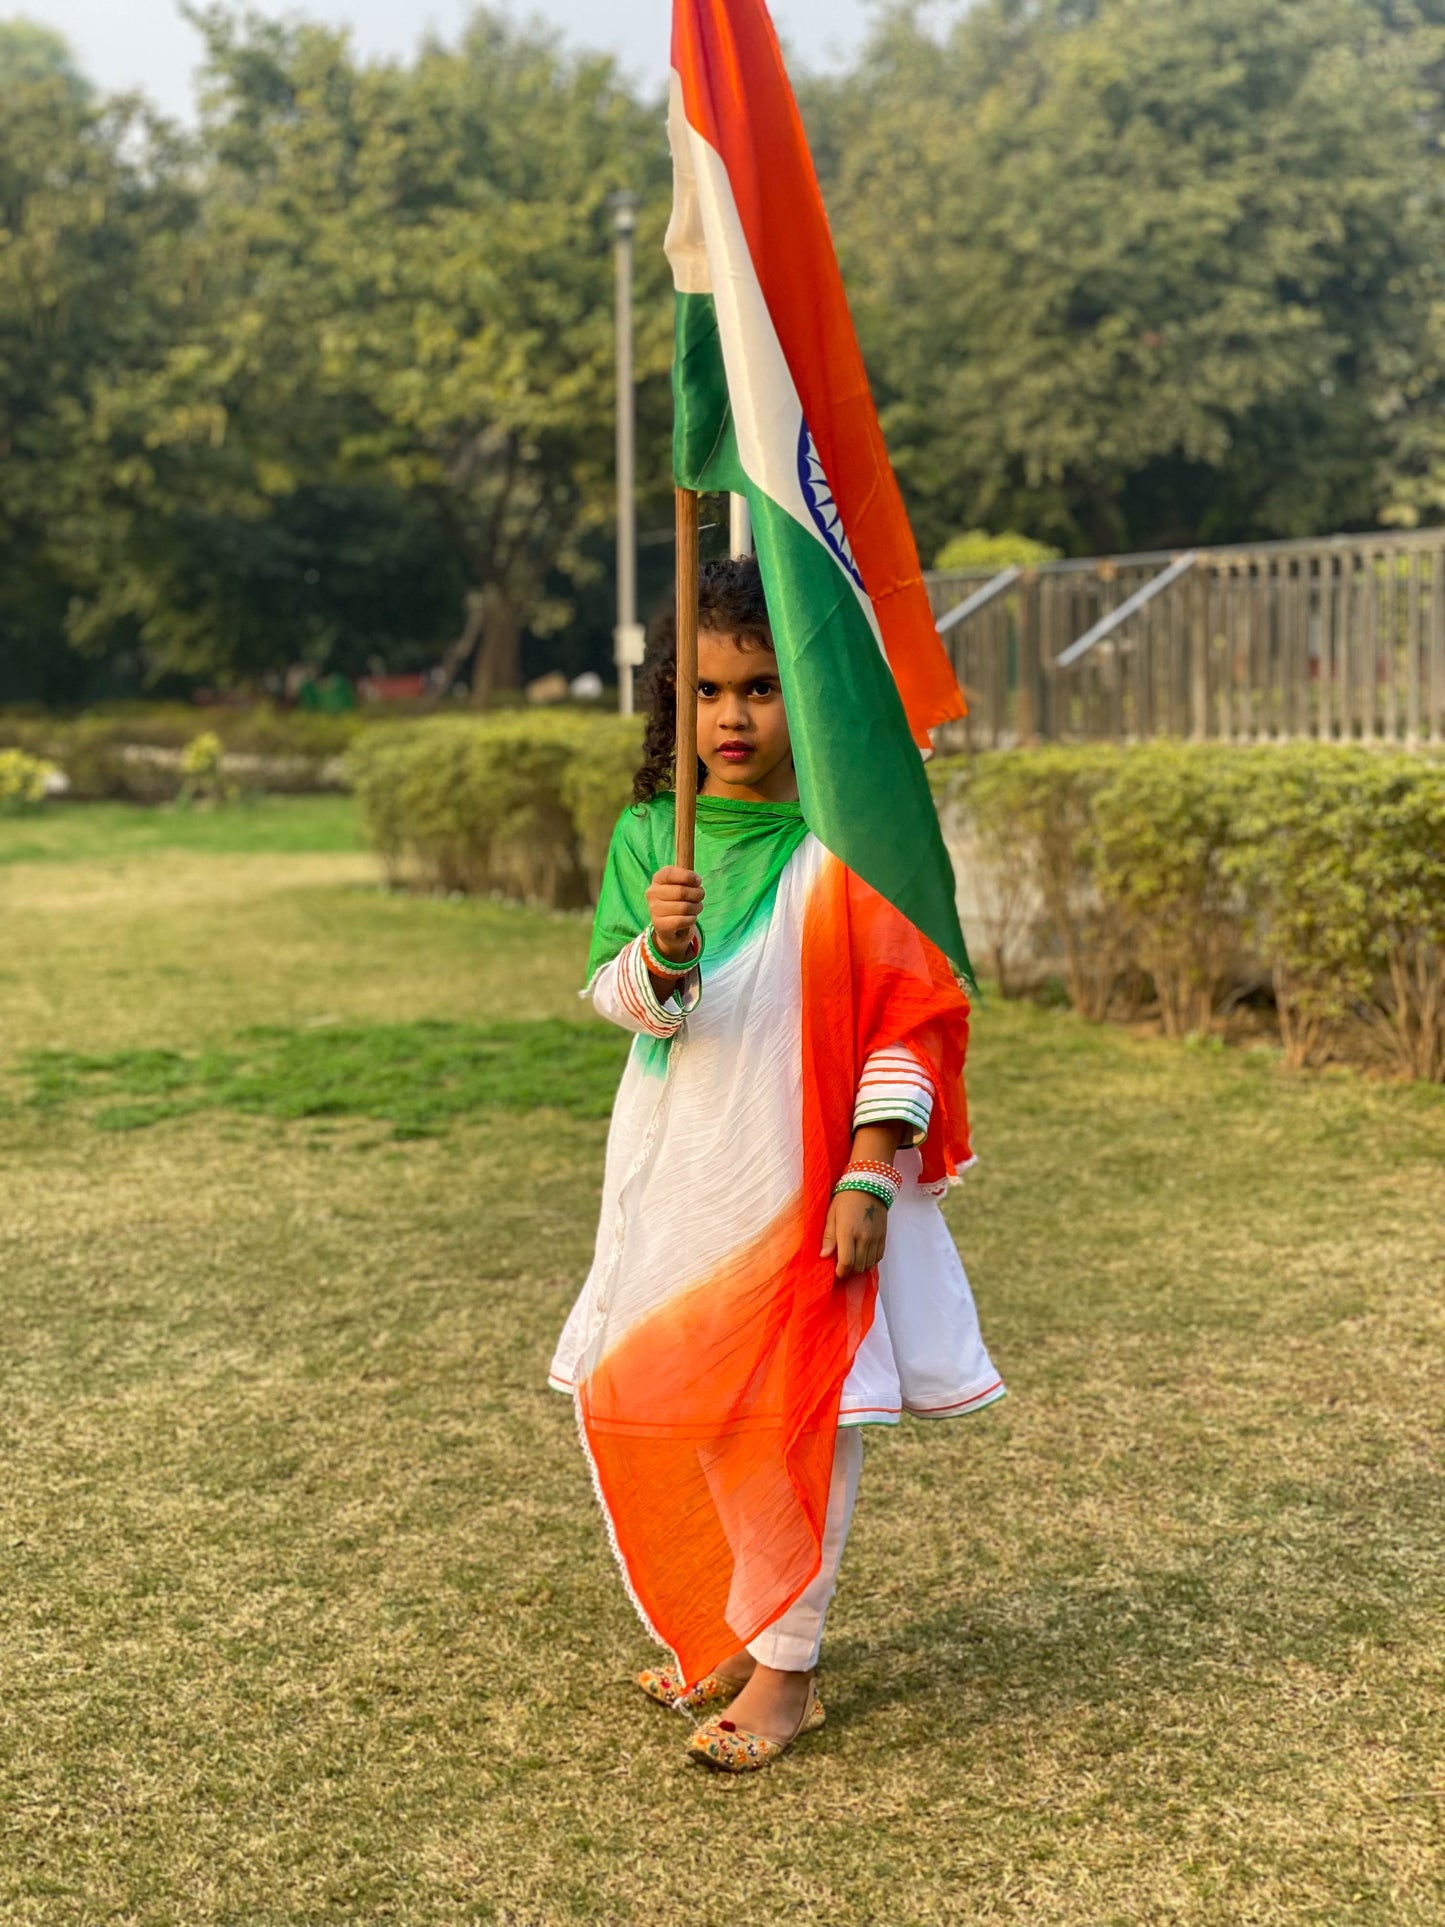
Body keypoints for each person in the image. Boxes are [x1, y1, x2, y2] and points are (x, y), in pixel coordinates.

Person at [548, 556, 1004, 1772]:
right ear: (672, 703)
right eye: (705, 691)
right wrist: (661, 946)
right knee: (703, 1410)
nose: (733, 717)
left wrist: (867, 1168)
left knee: (792, 1421)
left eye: (759, 688)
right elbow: (621, 999)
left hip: (807, 1182)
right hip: (684, 1170)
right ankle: (746, 1624)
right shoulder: (654, 835)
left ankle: (787, 1672)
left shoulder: (845, 849)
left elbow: (906, 1020)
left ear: (801, 702)